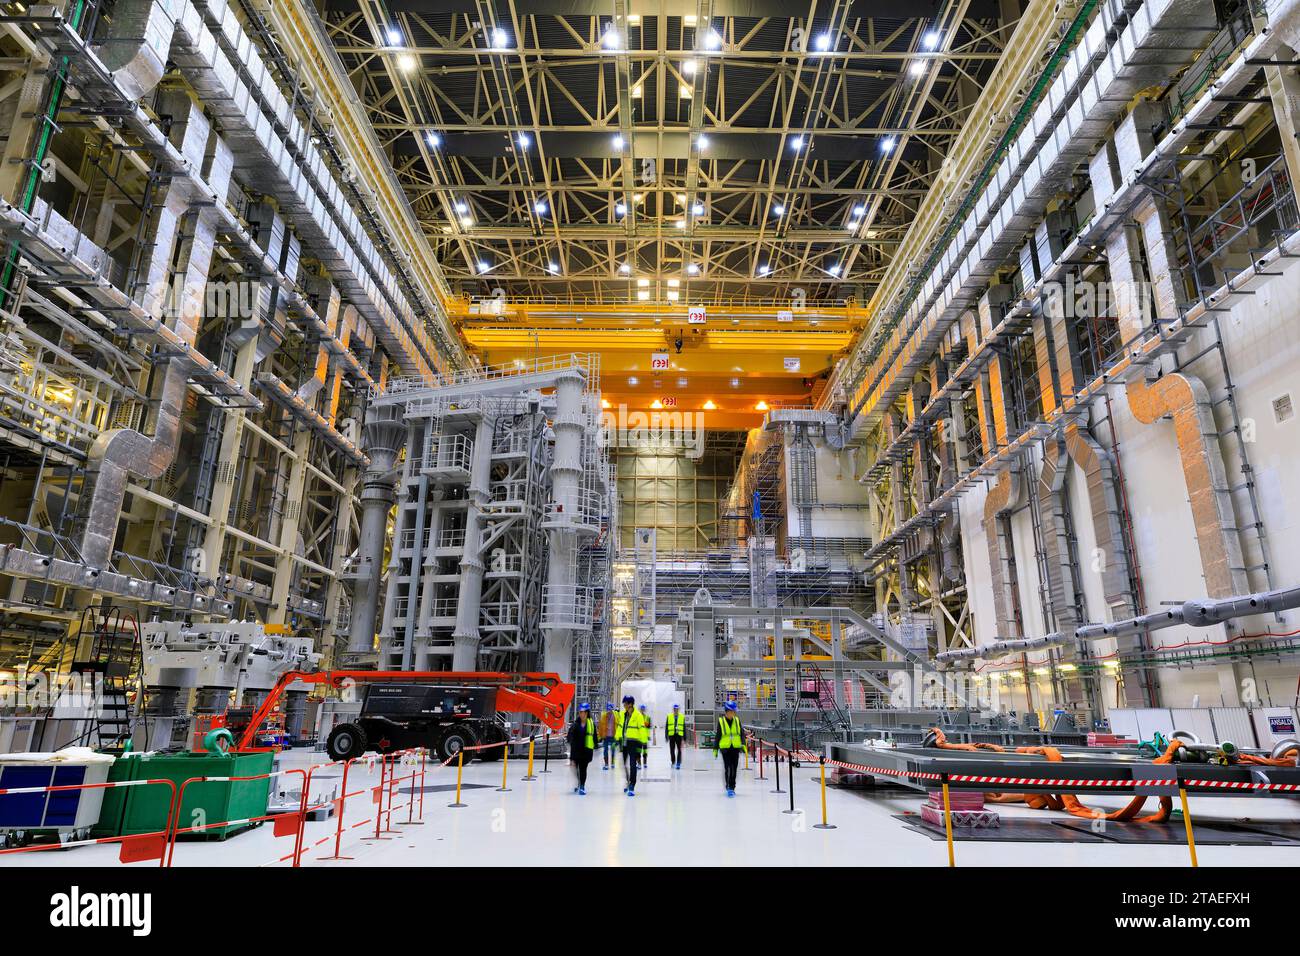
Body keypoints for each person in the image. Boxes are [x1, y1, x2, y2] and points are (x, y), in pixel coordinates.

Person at [614, 695, 650, 796]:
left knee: (632, 764)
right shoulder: (623, 715)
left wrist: (643, 741)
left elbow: (642, 728)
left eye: (625, 703)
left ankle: (632, 785)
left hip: (634, 742)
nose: (624, 705)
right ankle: (628, 780)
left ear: (630, 704)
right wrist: (616, 738)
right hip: (624, 742)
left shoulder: (638, 715)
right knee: (623, 764)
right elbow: (620, 727)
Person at [713, 701, 745, 796]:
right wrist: (715, 748)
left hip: (735, 748)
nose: (733, 713)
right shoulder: (721, 721)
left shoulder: (737, 720)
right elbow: (718, 735)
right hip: (725, 749)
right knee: (728, 768)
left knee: (734, 768)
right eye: (732, 711)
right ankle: (728, 787)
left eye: (734, 712)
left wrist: (743, 744)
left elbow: (741, 733)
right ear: (727, 711)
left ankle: (732, 787)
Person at [567, 702, 597, 795]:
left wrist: (594, 746)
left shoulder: (591, 724)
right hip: (576, 752)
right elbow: (570, 739)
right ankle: (580, 783)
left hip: (586, 752)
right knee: (577, 770)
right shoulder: (575, 725)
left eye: (583, 712)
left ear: (587, 713)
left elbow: (595, 737)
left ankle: (582, 786)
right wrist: (572, 757)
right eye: (580, 712)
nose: (581, 714)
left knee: (583, 769)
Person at [665, 703, 686, 770]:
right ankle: (673, 761)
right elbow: (666, 727)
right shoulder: (669, 716)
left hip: (679, 735)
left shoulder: (682, 717)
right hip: (672, 735)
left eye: (677, 709)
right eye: (675, 709)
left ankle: (678, 763)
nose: (676, 710)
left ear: (678, 709)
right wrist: (666, 736)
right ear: (673, 709)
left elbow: (684, 727)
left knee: (679, 750)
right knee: (672, 750)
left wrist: (684, 737)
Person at [598, 702, 617, 770]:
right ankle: (606, 765)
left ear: (612, 709)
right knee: (605, 750)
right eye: (608, 710)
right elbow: (600, 726)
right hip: (605, 737)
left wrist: (618, 737)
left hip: (613, 737)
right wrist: (600, 736)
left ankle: (612, 763)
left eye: (610, 710)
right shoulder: (603, 716)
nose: (609, 711)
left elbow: (618, 726)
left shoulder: (616, 717)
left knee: (613, 750)